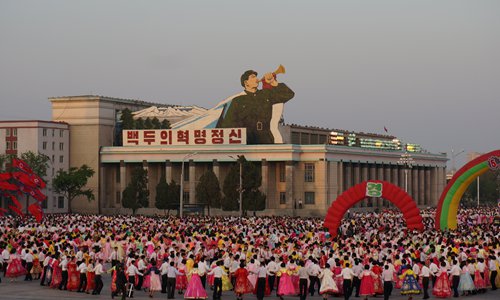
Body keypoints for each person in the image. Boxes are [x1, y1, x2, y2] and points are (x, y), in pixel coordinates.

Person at [217, 69, 295, 144]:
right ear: (246, 82)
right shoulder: (238, 101)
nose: (256, 79)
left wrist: (273, 82)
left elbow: (289, 94)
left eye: (256, 77)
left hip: (265, 138)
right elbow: (228, 124)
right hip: (246, 139)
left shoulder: (265, 94)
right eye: (253, 77)